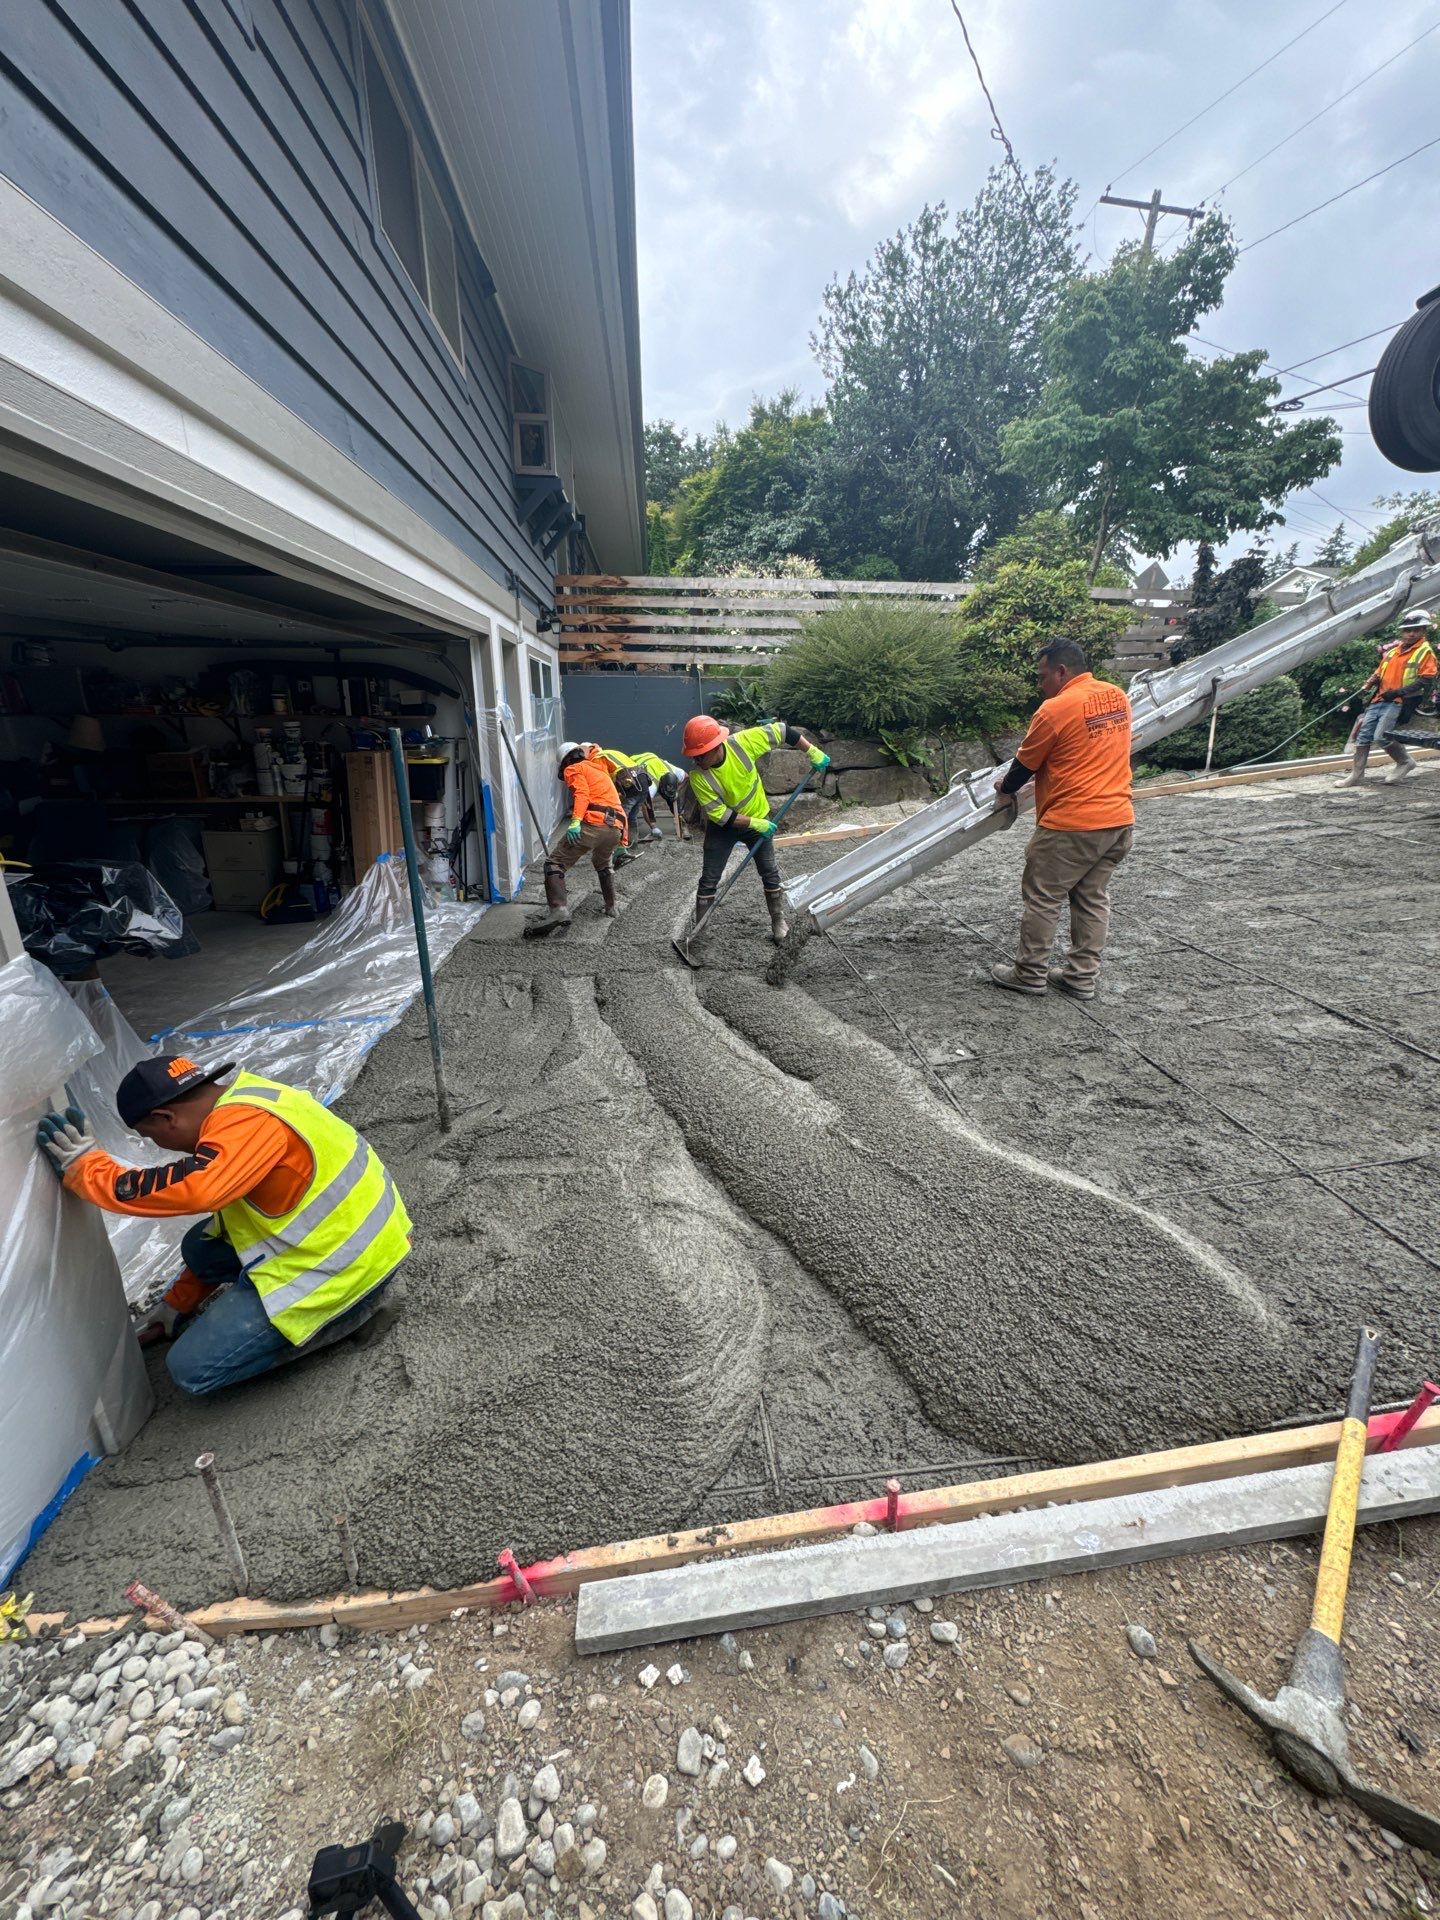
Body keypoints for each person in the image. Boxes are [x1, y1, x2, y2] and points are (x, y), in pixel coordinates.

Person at [35, 1054, 411, 1394]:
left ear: (165, 1118)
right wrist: (176, 1304)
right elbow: (229, 1221)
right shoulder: (250, 1097)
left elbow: (198, 1189)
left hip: (351, 1267)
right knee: (200, 1246)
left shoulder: (246, 1125)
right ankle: (333, 1306)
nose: (159, 1146)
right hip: (354, 1237)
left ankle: (352, 1316)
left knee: (191, 1370)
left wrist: (89, 1172)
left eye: (151, 1137)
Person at [989, 639, 1134, 1000]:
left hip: (1072, 823)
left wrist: (1005, 789)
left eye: (1042, 677)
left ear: (1061, 671)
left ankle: (1029, 973)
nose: (1040, 685)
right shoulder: (1117, 697)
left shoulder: (1055, 709)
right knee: (1091, 898)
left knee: (1043, 896)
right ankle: (1081, 978)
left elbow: (1025, 765)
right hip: (1118, 819)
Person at [682, 715, 830, 943]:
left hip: (759, 816)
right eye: (693, 755)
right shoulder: (698, 777)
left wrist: (811, 751)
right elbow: (720, 815)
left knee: (770, 873)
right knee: (709, 878)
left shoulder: (742, 744)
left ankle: (778, 922)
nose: (696, 760)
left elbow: (782, 730)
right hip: (724, 828)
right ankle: (700, 933)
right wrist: (755, 824)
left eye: (700, 755)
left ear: (716, 746)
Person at [526, 741, 627, 935]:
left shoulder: (573, 769)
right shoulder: (599, 770)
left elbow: (582, 794)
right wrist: (622, 841)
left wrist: (575, 821)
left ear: (565, 761)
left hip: (593, 825)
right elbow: (618, 805)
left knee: (554, 863)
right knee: (603, 864)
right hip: (615, 827)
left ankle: (559, 911)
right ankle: (611, 906)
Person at [1334, 609, 1438, 788]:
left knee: (1382, 736)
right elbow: (1380, 671)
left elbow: (1426, 680)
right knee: (1364, 736)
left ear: (1423, 631)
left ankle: (1405, 762)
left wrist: (1398, 692)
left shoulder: (1424, 651)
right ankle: (1356, 775)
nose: (1411, 633)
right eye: (1408, 630)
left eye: (1416, 629)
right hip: (1380, 699)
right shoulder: (1393, 652)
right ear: (1402, 632)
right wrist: (1372, 681)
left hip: (1399, 701)